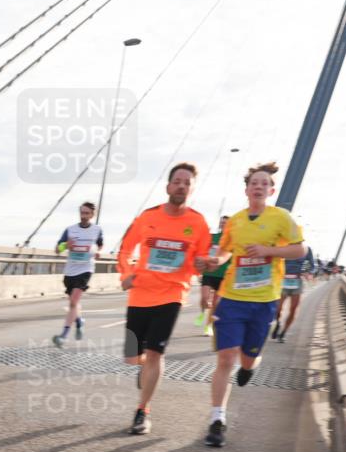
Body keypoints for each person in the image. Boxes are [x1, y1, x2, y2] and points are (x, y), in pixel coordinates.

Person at [203, 162, 305, 447]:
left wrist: (269, 251)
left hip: (264, 301)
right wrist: (215, 260)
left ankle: (249, 367)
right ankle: (216, 419)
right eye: (254, 183)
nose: (258, 186)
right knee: (226, 358)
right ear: (247, 190)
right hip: (233, 299)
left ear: (271, 190)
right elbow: (224, 252)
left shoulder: (281, 218)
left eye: (264, 183)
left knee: (247, 359)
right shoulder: (235, 221)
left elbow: (300, 249)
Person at [117, 162, 211, 435]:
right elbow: (125, 248)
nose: (181, 185)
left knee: (156, 353)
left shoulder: (198, 223)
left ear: (191, 189)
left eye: (187, 182)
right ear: (168, 186)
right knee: (134, 358)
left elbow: (199, 262)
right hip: (140, 294)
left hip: (171, 294)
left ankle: (142, 410)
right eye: (177, 181)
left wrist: (204, 265)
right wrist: (126, 274)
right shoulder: (148, 217)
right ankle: (143, 367)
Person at [52, 202, 104, 347]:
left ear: (92, 214)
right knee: (73, 304)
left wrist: (98, 252)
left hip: (86, 269)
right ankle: (79, 321)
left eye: (87, 213)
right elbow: (57, 249)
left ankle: (63, 336)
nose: (84, 216)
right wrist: (65, 245)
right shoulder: (70, 230)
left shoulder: (97, 229)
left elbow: (99, 245)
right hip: (70, 271)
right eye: (82, 213)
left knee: (73, 302)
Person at [194, 215, 231, 336]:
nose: (223, 224)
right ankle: (203, 311)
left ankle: (208, 326)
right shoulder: (212, 237)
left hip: (223, 275)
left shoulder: (232, 240)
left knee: (216, 303)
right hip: (209, 273)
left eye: (226, 223)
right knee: (205, 299)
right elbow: (202, 251)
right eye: (222, 222)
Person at [272, 237, 314, 342]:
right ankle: (278, 323)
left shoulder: (307, 250)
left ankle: (283, 333)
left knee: (294, 309)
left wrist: (307, 273)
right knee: (278, 308)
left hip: (297, 281)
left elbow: (310, 265)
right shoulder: (282, 247)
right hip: (282, 280)